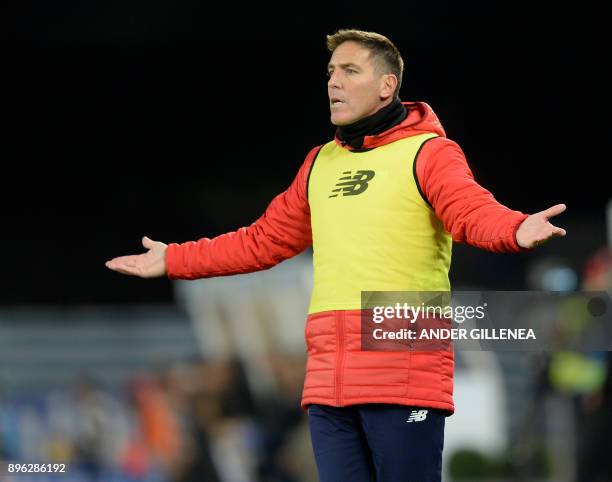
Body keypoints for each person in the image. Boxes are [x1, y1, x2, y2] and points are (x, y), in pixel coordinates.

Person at [106, 29, 566, 482]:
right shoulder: (319, 162)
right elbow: (261, 240)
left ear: (387, 86)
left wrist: (515, 228)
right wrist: (174, 259)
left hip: (403, 373)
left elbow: (471, 211)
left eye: (350, 70)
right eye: (330, 72)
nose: (333, 82)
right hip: (329, 383)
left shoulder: (429, 153)